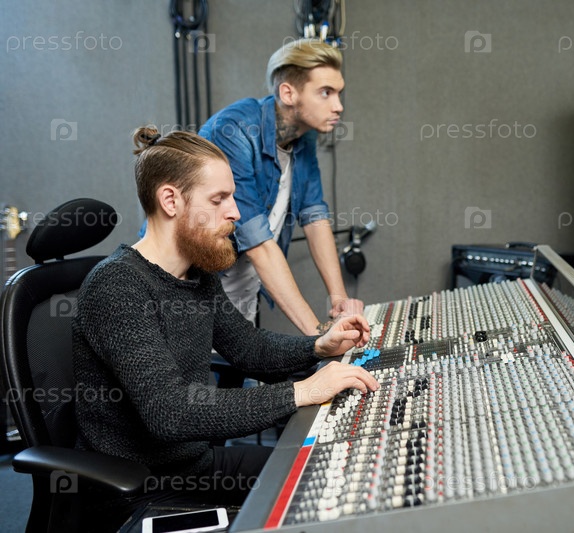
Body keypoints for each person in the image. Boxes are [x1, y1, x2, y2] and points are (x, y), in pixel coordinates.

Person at [72, 126, 379, 528]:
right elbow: (170, 411)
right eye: (219, 200)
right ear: (170, 200)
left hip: (194, 466)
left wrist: (319, 346)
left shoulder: (197, 274)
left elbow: (248, 347)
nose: (235, 212)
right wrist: (303, 391)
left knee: (326, 473)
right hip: (138, 491)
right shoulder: (117, 286)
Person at [198, 38, 362, 335]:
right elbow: (257, 242)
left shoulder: (305, 136)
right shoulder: (234, 130)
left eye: (339, 93)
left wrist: (339, 301)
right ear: (288, 93)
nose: (338, 106)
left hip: (243, 292)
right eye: (325, 93)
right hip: (191, 294)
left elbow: (315, 216)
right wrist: (317, 337)